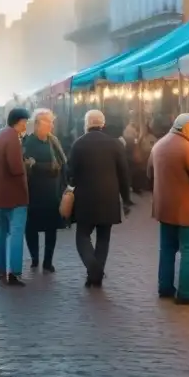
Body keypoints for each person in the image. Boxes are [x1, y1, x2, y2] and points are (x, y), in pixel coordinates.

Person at [147, 113, 189, 305]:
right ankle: (186, 293)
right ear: (187, 128)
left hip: (164, 208)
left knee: (167, 249)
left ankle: (165, 287)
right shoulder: (187, 148)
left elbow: (149, 172)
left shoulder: (160, 144)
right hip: (186, 210)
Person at [69, 109, 131, 287]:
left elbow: (70, 173)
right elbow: (124, 174)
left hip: (85, 199)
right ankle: (95, 276)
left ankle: (93, 269)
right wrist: (125, 199)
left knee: (82, 236)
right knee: (104, 238)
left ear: (86, 124)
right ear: (103, 124)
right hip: (109, 198)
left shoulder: (78, 144)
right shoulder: (115, 144)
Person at [0, 108, 30, 285]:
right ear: (18, 122)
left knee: (2, 232)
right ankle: (15, 272)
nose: (26, 126)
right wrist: (26, 165)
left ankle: (0, 269)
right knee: (16, 232)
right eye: (25, 122)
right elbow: (16, 168)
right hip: (14, 194)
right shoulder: (12, 138)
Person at [23, 109, 67, 272]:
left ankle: (48, 261)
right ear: (37, 124)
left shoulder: (53, 141)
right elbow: (26, 164)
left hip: (52, 191)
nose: (51, 125)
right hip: (34, 191)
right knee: (31, 227)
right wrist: (40, 167)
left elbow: (62, 164)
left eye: (51, 122)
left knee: (51, 227)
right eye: (48, 122)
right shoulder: (28, 142)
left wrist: (38, 165)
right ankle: (35, 258)